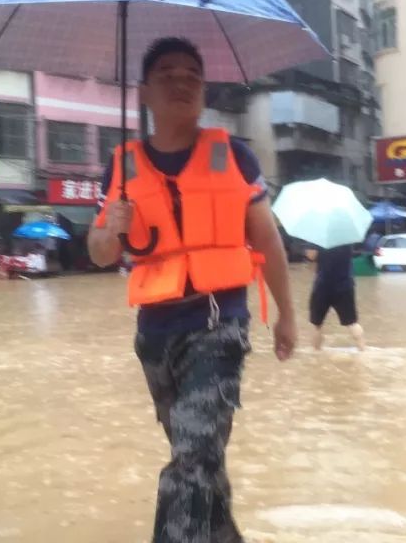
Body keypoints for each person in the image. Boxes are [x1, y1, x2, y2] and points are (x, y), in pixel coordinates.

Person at [88, 37, 297, 543]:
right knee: (200, 460)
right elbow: (98, 253)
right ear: (143, 92)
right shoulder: (122, 167)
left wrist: (286, 314)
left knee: (192, 459)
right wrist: (112, 227)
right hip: (155, 335)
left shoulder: (235, 157)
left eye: (192, 75)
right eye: (167, 74)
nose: (182, 82)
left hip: (217, 325)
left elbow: (266, 238)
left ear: (203, 90)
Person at [306, 243, 365, 351]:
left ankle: (316, 353)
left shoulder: (320, 239)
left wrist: (313, 249)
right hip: (345, 285)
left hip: (322, 286)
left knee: (316, 324)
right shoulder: (347, 239)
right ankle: (363, 350)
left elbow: (311, 256)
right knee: (352, 323)